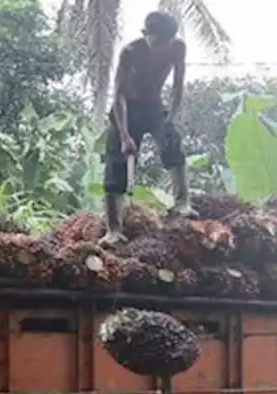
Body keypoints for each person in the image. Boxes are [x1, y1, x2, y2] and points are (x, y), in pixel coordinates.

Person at [101, 10, 193, 246]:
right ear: (145, 34)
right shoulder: (130, 52)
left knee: (172, 143)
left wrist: (171, 119)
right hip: (126, 109)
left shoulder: (177, 49)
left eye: (166, 43)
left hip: (153, 106)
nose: (161, 48)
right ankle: (113, 229)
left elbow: (178, 87)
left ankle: (182, 204)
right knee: (116, 164)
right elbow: (119, 94)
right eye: (156, 42)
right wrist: (124, 135)